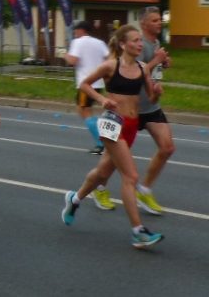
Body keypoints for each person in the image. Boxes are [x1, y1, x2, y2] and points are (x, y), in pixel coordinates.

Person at [61, 25, 164, 249]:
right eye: (135, 40)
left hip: (131, 125)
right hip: (112, 124)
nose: (139, 44)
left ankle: (75, 199)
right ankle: (138, 232)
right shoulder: (110, 65)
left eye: (140, 41)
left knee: (102, 173)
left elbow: (150, 100)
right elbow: (85, 84)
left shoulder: (143, 68)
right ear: (123, 44)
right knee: (131, 177)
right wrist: (102, 100)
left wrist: (156, 93)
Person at [133, 8, 175, 215]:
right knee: (112, 160)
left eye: (160, 19)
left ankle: (144, 189)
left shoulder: (156, 43)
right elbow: (134, 72)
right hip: (132, 108)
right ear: (143, 24)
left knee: (167, 148)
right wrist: (156, 61)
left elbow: (153, 69)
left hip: (151, 106)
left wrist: (163, 64)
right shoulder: (139, 44)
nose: (160, 23)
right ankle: (99, 187)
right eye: (155, 20)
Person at [65, 20, 110, 156]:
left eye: (75, 31)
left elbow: (73, 61)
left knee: (84, 111)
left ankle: (101, 142)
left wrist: (65, 55)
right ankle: (103, 138)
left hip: (86, 83)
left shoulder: (77, 42)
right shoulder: (100, 42)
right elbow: (108, 58)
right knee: (84, 110)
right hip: (98, 82)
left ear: (81, 30)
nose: (74, 33)